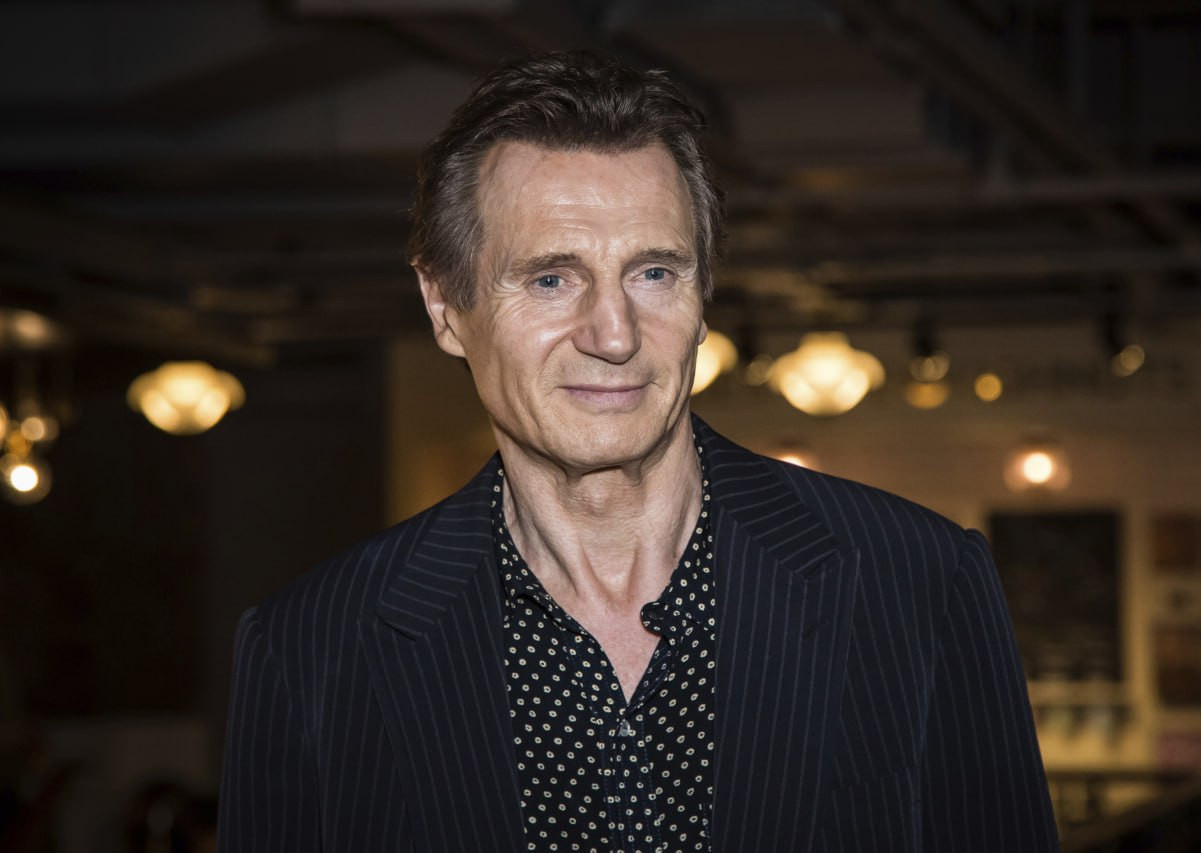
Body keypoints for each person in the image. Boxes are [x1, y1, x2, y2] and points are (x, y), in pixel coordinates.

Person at [217, 51, 1059, 852]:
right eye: (551, 278)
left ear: (703, 293)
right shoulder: (312, 650)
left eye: (654, 273)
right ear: (444, 307)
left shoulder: (918, 584)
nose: (615, 334)